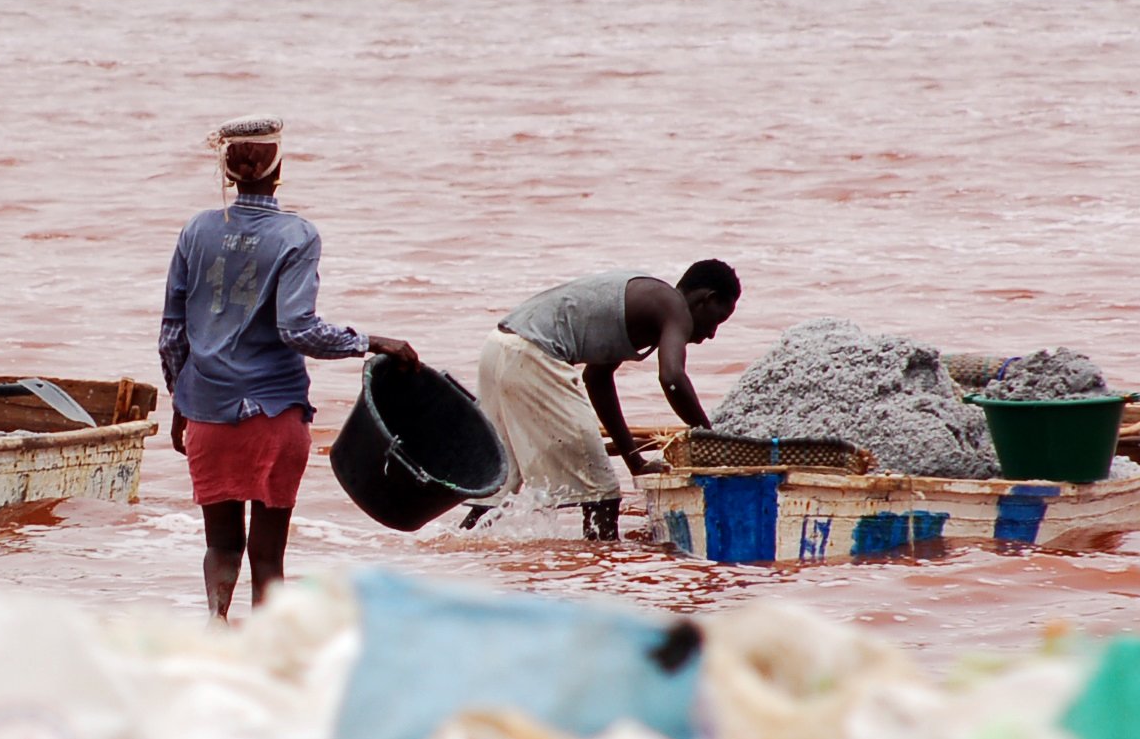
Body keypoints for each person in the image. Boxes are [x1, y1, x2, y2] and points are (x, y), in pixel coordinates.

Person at [158, 117, 418, 620]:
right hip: (274, 413)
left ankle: (215, 626)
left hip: (207, 414)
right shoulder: (297, 235)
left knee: (221, 545)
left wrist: (181, 401)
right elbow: (298, 330)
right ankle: (267, 651)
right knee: (269, 555)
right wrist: (372, 343)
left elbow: (172, 333)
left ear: (230, 173)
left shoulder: (197, 230)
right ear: (279, 171)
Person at [465, 262, 740, 540]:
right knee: (602, 495)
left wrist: (636, 462)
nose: (711, 334)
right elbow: (672, 378)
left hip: (499, 346)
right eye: (718, 320)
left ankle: (455, 549)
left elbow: (597, 381)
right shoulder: (674, 307)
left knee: (498, 488)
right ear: (707, 299)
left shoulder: (647, 301)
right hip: (533, 352)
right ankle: (601, 573)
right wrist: (707, 434)